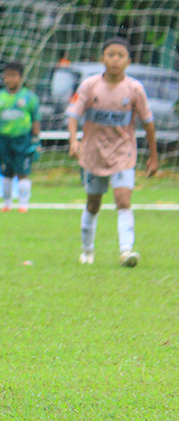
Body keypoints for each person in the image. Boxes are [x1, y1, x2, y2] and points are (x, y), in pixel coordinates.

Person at [67, 37, 158, 267]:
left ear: (128, 61)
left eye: (120, 55)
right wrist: (73, 140)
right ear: (102, 59)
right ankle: (87, 251)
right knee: (93, 204)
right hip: (93, 153)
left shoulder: (135, 89)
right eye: (111, 54)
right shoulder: (89, 85)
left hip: (123, 153)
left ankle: (126, 252)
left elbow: (148, 122)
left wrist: (154, 156)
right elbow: (74, 114)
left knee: (123, 200)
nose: (115, 59)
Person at [0, 61, 41, 212]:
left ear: (20, 77)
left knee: (23, 173)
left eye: (13, 76)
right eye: (7, 75)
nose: (9, 79)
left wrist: (36, 140)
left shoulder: (29, 97)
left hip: (23, 139)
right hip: (4, 139)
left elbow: (36, 120)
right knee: (6, 173)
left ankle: (23, 204)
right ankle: (7, 204)